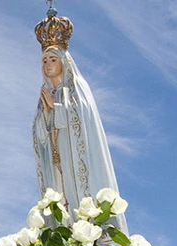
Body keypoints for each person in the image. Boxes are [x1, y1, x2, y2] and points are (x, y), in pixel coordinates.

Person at [32, 8, 127, 233]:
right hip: (57, 167)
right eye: (44, 60)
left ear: (64, 61)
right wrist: (46, 114)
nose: (47, 65)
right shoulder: (45, 94)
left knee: (82, 210)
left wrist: (55, 110)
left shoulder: (77, 88)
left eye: (53, 59)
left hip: (78, 166)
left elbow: (83, 118)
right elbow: (40, 137)